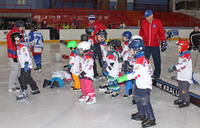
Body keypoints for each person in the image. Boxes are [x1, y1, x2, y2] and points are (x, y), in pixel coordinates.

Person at [117, 37, 156, 127]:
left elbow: (136, 74)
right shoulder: (140, 58)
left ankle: (151, 119)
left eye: (131, 49)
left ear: (137, 49)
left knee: (145, 102)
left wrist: (124, 78)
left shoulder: (140, 60)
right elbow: (149, 70)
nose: (130, 51)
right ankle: (141, 114)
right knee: (138, 99)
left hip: (144, 86)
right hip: (139, 84)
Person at [10, 32, 40, 100]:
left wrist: (26, 64)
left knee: (22, 79)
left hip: (26, 66)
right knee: (28, 78)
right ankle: (35, 89)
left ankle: (24, 93)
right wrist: (17, 59)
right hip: (24, 65)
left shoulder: (22, 47)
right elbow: (21, 56)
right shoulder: (19, 46)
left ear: (16, 39)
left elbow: (27, 56)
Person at [139, 10, 167, 78]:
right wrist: (140, 41)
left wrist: (163, 41)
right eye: (145, 17)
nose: (146, 18)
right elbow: (141, 33)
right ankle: (143, 73)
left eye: (148, 16)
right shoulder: (144, 22)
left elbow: (162, 33)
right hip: (146, 45)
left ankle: (157, 75)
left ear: (152, 15)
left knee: (157, 61)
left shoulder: (158, 22)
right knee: (144, 60)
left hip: (155, 45)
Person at [168, 39, 192, 108]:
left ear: (184, 47)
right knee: (180, 88)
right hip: (181, 76)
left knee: (184, 90)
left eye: (179, 48)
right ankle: (182, 99)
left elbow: (183, 65)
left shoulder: (186, 55)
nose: (178, 49)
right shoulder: (183, 54)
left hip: (186, 77)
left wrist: (175, 67)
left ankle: (186, 101)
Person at [7, 20, 25, 93]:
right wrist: (14, 56)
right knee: (15, 69)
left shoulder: (20, 32)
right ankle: (11, 86)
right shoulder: (11, 34)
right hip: (13, 54)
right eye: (21, 27)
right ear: (18, 26)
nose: (22, 28)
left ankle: (20, 83)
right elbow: (11, 46)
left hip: (18, 54)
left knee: (19, 69)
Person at [121, 31, 134, 99]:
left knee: (128, 76)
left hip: (128, 62)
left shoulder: (127, 44)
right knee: (134, 76)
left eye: (123, 36)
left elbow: (124, 51)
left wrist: (120, 56)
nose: (122, 38)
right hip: (131, 62)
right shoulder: (131, 43)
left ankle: (129, 92)